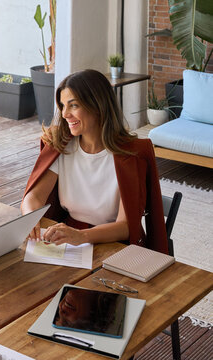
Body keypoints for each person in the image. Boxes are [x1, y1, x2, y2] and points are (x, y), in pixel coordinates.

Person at [21, 69, 167, 253]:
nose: (65, 114)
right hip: (68, 239)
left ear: (98, 105)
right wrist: (30, 217)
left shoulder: (131, 155)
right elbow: (33, 197)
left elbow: (126, 226)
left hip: (114, 243)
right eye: (62, 106)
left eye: (73, 105)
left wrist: (80, 236)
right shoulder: (61, 147)